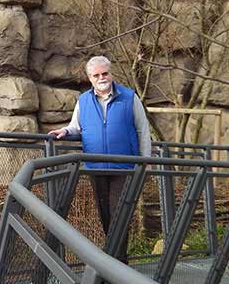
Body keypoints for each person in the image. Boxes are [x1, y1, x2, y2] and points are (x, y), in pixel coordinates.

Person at [48, 56, 152, 261]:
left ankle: (116, 261)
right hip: (95, 167)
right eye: (96, 75)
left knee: (120, 213)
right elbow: (75, 126)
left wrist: (145, 161)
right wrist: (65, 131)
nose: (101, 78)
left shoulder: (129, 97)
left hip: (125, 167)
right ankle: (116, 259)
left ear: (111, 74)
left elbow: (143, 130)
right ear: (90, 78)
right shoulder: (83, 101)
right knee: (105, 215)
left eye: (105, 73)